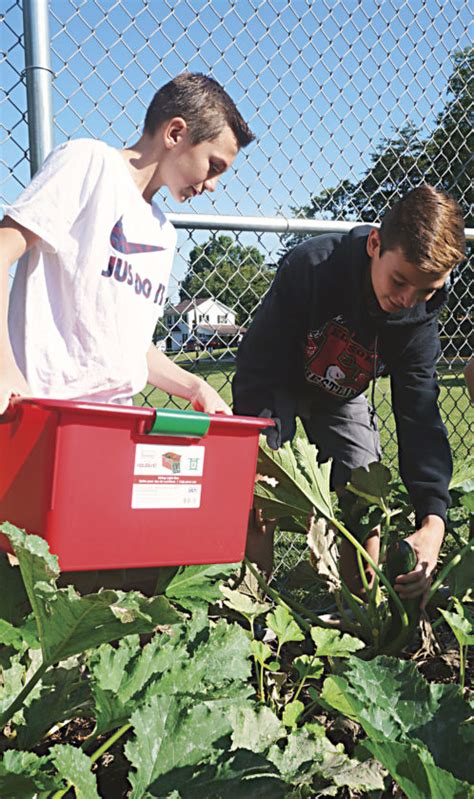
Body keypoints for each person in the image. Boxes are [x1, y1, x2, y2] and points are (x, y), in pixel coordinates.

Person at [233, 185, 466, 606]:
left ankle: (361, 609)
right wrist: (262, 450)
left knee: (365, 485)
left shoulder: (418, 316)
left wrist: (434, 520)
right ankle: (255, 611)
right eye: (399, 281)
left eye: (426, 291)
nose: (406, 300)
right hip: (277, 380)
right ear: (375, 244)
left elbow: (419, 412)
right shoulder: (313, 266)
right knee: (260, 490)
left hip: (339, 395)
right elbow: (260, 366)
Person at [0, 72, 254, 415]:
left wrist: (197, 386)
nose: (213, 185)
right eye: (213, 166)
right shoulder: (89, 163)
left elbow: (133, 347)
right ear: (175, 133)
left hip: (117, 422)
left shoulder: (163, 232)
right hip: (46, 412)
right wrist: (4, 369)